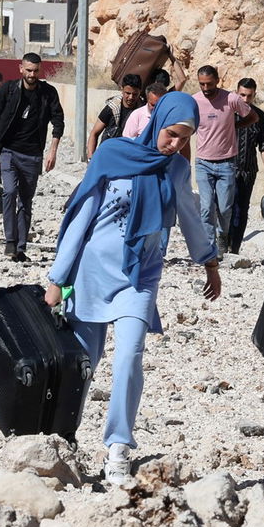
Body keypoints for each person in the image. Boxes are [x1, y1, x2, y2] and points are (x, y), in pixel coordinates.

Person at [45, 89, 221, 486]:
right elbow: (82, 215)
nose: (174, 144)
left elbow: (190, 217)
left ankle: (118, 448)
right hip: (94, 271)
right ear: (158, 123)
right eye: (171, 134)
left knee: (129, 357)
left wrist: (209, 263)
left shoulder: (175, 169)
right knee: (83, 363)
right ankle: (63, 435)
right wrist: (58, 279)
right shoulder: (112, 155)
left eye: (184, 138)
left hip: (141, 276)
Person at [0, 52, 64, 262]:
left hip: (33, 155)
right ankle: (10, 240)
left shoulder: (48, 93)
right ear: (21, 69)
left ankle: (20, 246)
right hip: (8, 150)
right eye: (28, 70)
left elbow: (58, 122)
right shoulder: (9, 90)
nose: (32, 74)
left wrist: (52, 151)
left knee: (26, 201)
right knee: (9, 192)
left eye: (35, 71)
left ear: (40, 70)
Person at [189, 64, 253, 254]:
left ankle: (222, 235)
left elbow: (253, 117)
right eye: (202, 84)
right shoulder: (194, 101)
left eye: (209, 84)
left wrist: (235, 126)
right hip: (203, 163)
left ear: (218, 80)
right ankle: (210, 247)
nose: (206, 88)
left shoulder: (231, 99)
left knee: (225, 209)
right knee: (206, 207)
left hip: (226, 162)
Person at [226, 77, 264, 255]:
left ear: (254, 95)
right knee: (224, 208)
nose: (245, 100)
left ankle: (234, 248)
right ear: (236, 93)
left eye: (249, 96)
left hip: (248, 170)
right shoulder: (227, 113)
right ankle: (222, 243)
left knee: (241, 209)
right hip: (227, 168)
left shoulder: (259, 117)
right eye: (242, 95)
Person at [85, 74, 145, 159]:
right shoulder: (112, 107)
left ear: (140, 91)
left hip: (129, 156)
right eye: (128, 93)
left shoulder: (143, 111)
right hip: (108, 154)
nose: (131, 97)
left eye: (135, 94)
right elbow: (94, 133)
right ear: (122, 89)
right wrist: (91, 158)